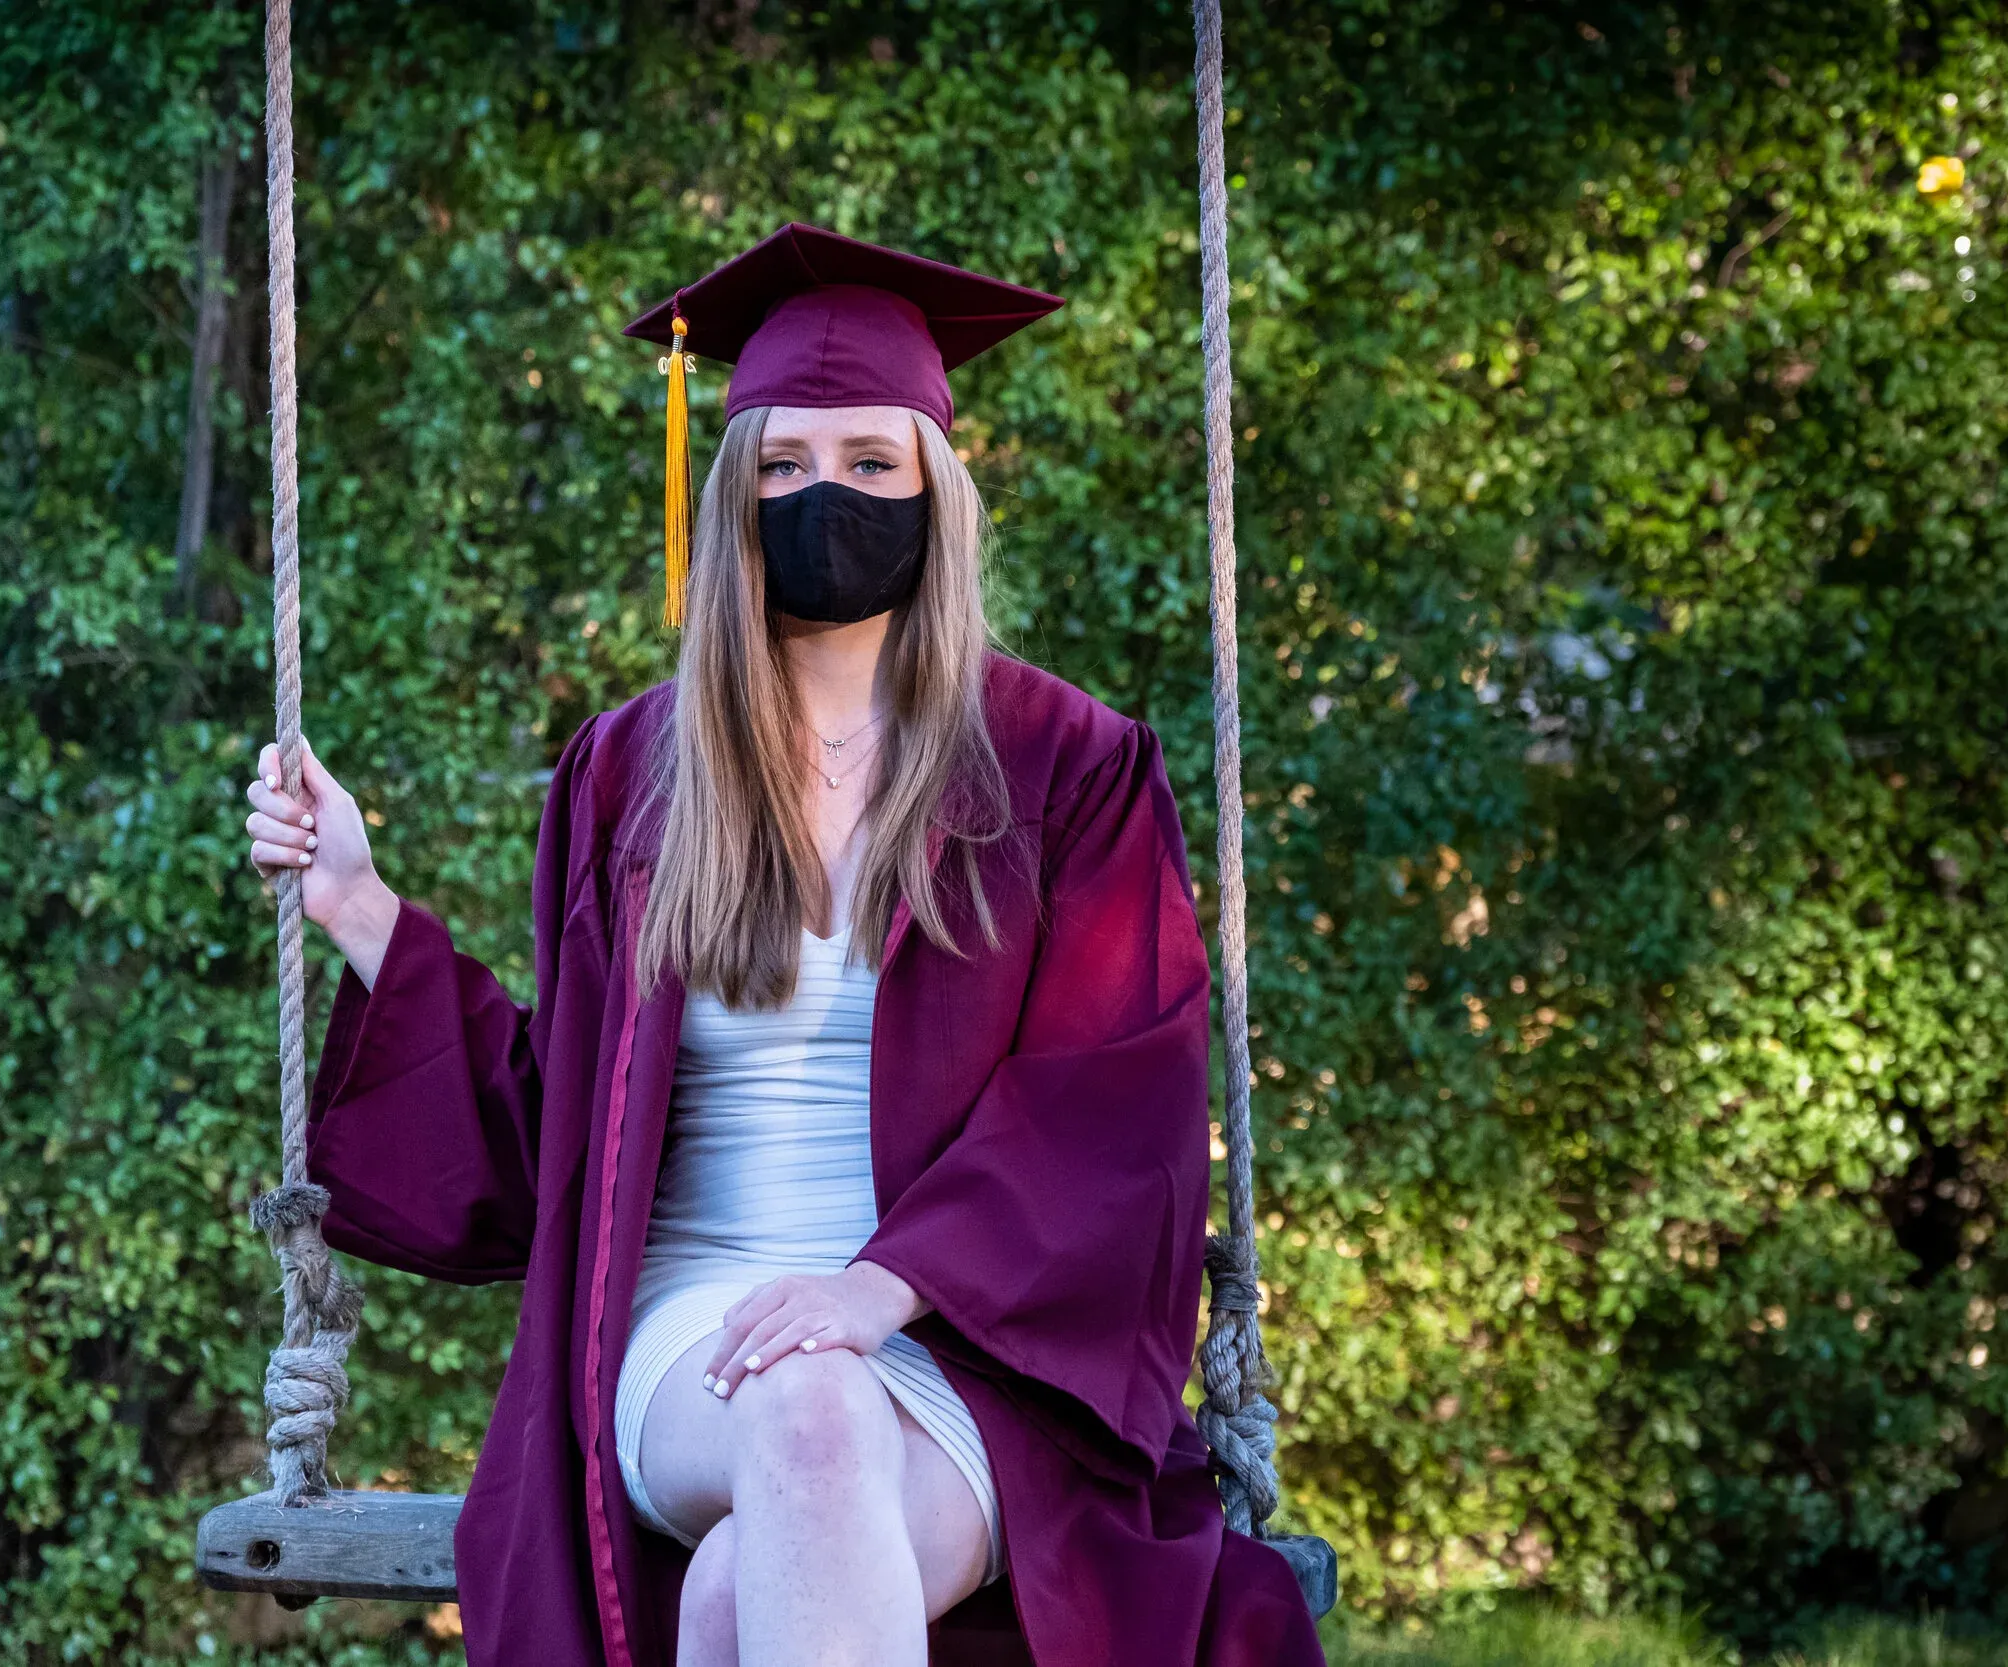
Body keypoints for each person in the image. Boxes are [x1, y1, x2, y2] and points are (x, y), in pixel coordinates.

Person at [242, 222, 1324, 1667]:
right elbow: (562, 1127)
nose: (831, 496)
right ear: (734, 494)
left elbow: (1107, 1106)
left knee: (740, 1592)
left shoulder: (1065, 764)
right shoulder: (633, 771)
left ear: (936, 491)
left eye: (874, 465)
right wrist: (361, 907)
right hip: (695, 1321)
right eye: (786, 468)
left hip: (970, 1343)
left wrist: (876, 1287)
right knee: (806, 1404)